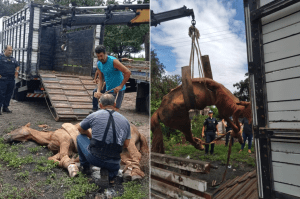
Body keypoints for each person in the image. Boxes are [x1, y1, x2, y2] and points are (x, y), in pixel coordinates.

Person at [76, 94, 131, 184]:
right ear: (114, 104)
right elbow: (126, 144)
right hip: (114, 162)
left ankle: (85, 168)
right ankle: (109, 175)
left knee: (80, 137)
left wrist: (90, 136)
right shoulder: (125, 120)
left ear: (100, 105)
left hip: (95, 158)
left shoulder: (94, 115)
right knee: (114, 167)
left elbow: (80, 128)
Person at [92, 45, 131, 112]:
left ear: (105, 54)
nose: (100, 58)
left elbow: (128, 72)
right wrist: (98, 91)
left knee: (114, 110)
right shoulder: (99, 64)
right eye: (98, 56)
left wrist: (120, 86)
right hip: (108, 89)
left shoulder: (113, 61)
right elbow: (101, 79)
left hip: (117, 90)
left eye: (101, 56)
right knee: (105, 109)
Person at [0, 45, 20, 115]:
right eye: (9, 50)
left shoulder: (12, 59)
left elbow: (17, 65)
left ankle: (5, 107)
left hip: (11, 79)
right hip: (2, 79)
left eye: (11, 50)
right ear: (5, 50)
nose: (10, 52)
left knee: (9, 94)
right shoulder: (0, 57)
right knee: (1, 94)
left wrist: (16, 72)